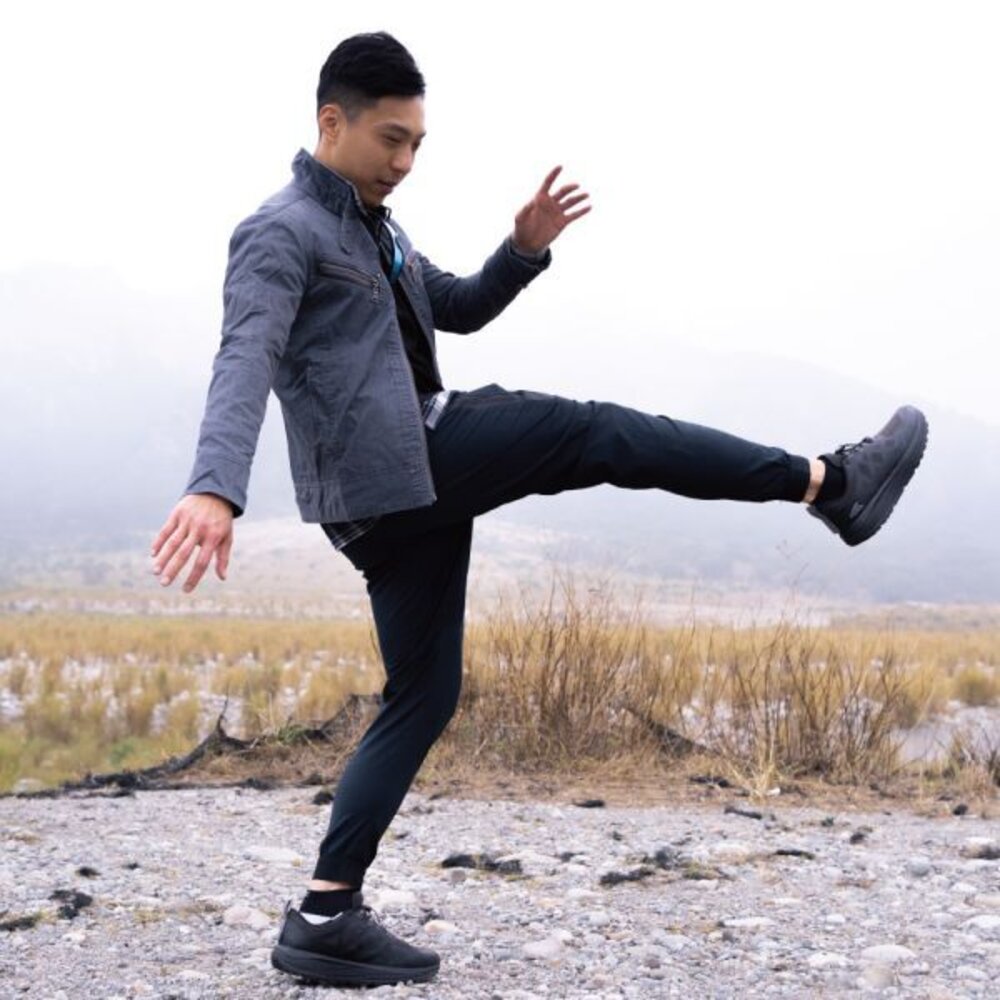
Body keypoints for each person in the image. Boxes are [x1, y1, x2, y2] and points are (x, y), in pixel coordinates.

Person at [150, 31, 928, 988]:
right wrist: (215, 485)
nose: (405, 161)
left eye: (418, 144)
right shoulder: (281, 231)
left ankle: (324, 912)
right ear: (331, 121)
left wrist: (521, 251)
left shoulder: (376, 229)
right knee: (595, 431)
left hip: (390, 503)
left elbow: (457, 307)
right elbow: (246, 352)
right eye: (391, 140)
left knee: (423, 694)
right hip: (407, 459)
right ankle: (831, 484)